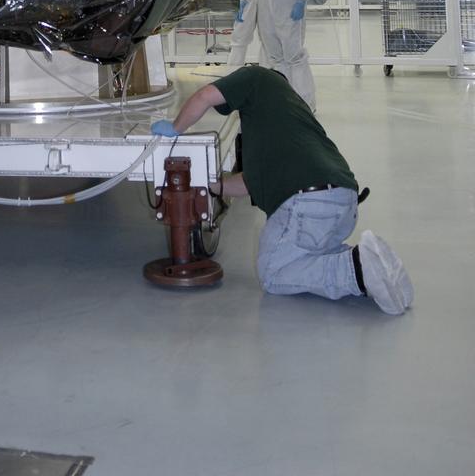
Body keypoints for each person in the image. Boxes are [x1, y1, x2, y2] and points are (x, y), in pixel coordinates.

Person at [151, 65, 413, 316]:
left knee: (274, 274)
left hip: (308, 203)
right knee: (310, 254)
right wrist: (211, 184)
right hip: (343, 203)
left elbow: (205, 95)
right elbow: (250, 182)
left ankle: (354, 270)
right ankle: (374, 265)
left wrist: (175, 129)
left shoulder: (256, 76)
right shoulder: (290, 119)